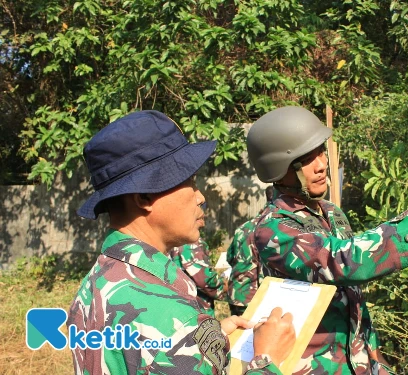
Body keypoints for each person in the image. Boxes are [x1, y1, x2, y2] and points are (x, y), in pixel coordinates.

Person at [245, 106, 408, 374]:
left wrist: (374, 356)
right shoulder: (272, 229)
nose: (320, 165)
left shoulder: (330, 213)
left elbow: (353, 296)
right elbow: (345, 262)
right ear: (278, 170)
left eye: (320, 152)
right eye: (305, 160)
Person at [67, 110, 295, 375]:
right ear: (144, 196)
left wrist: (200, 343)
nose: (200, 197)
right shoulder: (166, 314)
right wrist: (268, 359)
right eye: (189, 182)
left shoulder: (98, 281)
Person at [226, 186, 273, 315]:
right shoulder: (272, 229)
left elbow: (230, 257)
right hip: (254, 298)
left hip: (236, 295)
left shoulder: (243, 228)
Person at [169, 236, 227, 317]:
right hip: (200, 308)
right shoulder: (190, 242)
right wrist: (223, 287)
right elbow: (203, 280)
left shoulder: (174, 239)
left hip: (181, 306)